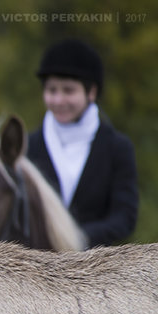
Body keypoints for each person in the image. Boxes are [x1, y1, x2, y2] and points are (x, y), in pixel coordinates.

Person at [26, 38, 138, 247]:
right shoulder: (28, 147)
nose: (58, 100)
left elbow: (125, 218)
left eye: (68, 90)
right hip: (37, 268)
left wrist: (73, 239)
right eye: (52, 90)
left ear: (91, 92)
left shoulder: (117, 147)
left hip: (98, 268)